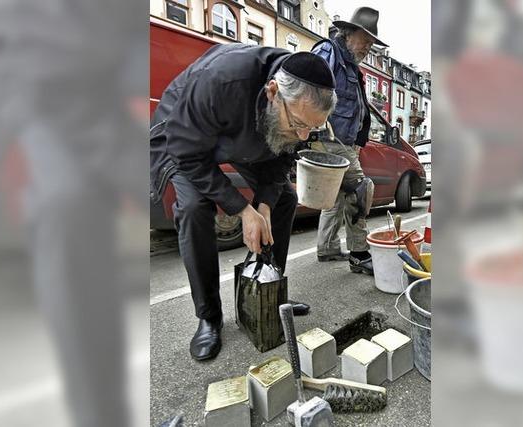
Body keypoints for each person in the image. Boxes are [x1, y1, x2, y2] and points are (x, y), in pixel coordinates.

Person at [150, 45, 337, 361]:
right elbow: (188, 154)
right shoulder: (220, 81)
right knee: (195, 208)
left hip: (247, 135)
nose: (303, 134)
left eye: (312, 127)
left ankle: (271, 291)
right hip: (183, 137)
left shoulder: (295, 113)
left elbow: (283, 159)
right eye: (297, 124)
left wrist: (263, 205)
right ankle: (208, 316)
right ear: (272, 92)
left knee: (283, 199)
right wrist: (242, 210)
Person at [311, 7, 389, 275]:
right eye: (365, 40)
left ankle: (327, 247)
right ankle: (358, 254)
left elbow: (359, 109)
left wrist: (357, 139)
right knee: (359, 189)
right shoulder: (328, 53)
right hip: (328, 139)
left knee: (336, 197)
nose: (368, 47)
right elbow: (309, 88)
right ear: (347, 34)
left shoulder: (352, 67)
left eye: (371, 43)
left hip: (342, 142)